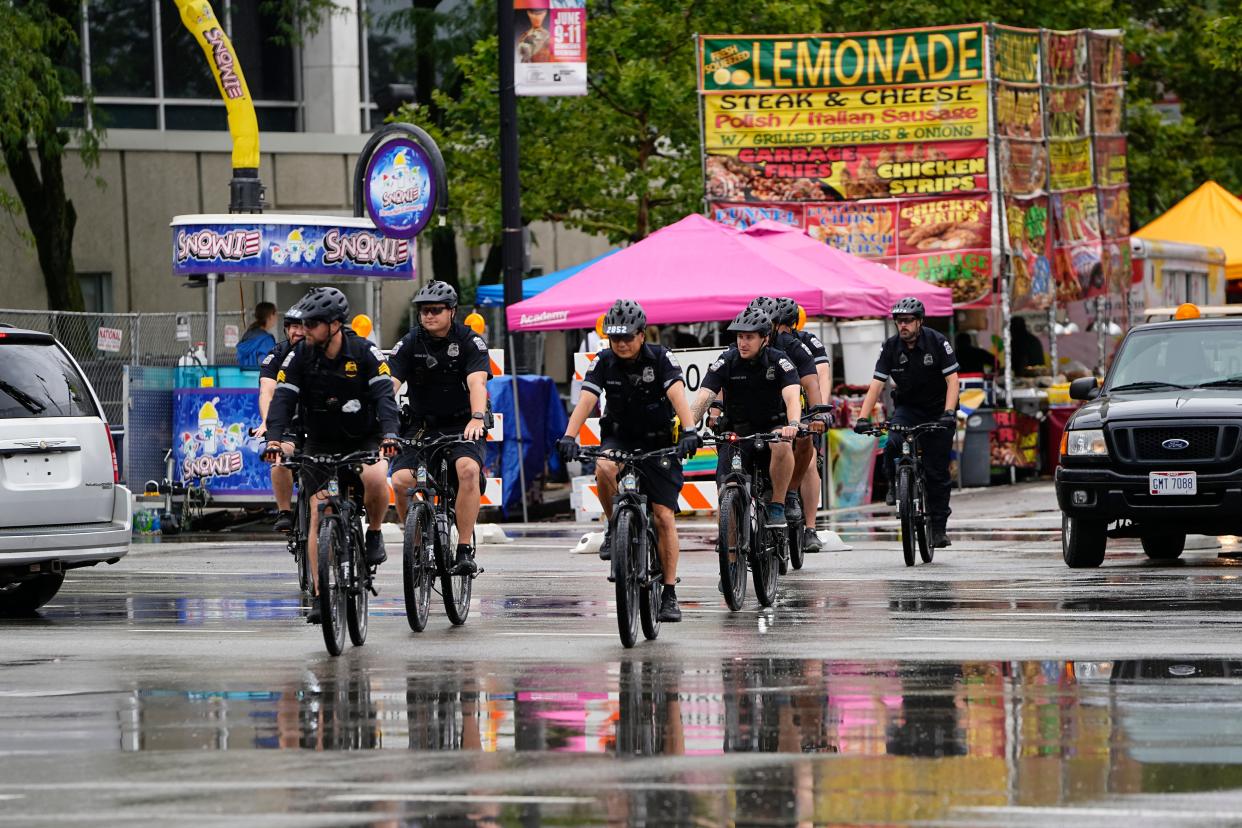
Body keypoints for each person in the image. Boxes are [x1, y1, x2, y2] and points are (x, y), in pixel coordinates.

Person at [557, 300, 701, 623]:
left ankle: (668, 592)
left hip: (659, 442)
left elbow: (678, 394)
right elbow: (587, 399)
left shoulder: (662, 358)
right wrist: (569, 435)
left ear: (641, 334)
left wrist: (689, 430)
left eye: (627, 337)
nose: (620, 343)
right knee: (604, 467)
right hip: (619, 438)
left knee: (663, 515)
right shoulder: (604, 360)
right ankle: (613, 527)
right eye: (614, 337)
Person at [263, 287, 400, 624]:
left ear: (335, 324)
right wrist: (275, 439)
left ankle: (375, 532)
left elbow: (385, 398)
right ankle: (322, 597)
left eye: (313, 324)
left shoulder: (365, 352)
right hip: (320, 441)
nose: (305, 330)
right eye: (303, 324)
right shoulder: (300, 357)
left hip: (364, 436)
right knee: (317, 509)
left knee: (374, 477)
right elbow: (282, 399)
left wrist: (390, 434)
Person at [388, 280, 491, 577]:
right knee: (400, 481)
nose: (428, 315)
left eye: (435, 310)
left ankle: (464, 549)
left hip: (462, 423)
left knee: (468, 471)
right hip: (421, 425)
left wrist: (476, 417)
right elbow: (390, 384)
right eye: (423, 310)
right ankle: (417, 544)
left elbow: (477, 383)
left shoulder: (470, 342)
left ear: (452, 311)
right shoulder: (410, 342)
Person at [853, 297, 959, 548]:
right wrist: (862, 417)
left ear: (919, 322)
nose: (904, 326)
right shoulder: (890, 347)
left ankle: (938, 527)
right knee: (891, 443)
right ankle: (893, 482)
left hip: (938, 410)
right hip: (908, 408)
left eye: (908, 321)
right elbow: (877, 385)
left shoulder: (937, 341)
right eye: (899, 321)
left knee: (936, 471)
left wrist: (948, 412)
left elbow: (952, 381)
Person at [690, 307, 802, 528]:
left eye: (749, 337)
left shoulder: (779, 361)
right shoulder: (727, 360)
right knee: (726, 491)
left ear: (765, 339)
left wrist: (793, 424)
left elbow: (792, 397)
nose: (743, 342)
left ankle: (777, 506)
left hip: (773, 429)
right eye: (740, 336)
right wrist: (685, 426)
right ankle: (731, 553)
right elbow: (704, 396)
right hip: (737, 432)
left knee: (782, 444)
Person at [772, 297, 831, 553]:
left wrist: (820, 412)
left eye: (784, 326)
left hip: (804, 409)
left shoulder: (805, 343)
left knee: (808, 465)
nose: (780, 331)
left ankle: (809, 529)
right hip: (773, 410)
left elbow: (821, 376)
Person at [258, 306, 305, 533]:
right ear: (286, 329)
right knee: (279, 455)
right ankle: (285, 511)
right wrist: (268, 423)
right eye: (294, 326)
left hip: (317, 421)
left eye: (304, 326)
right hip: (286, 421)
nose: (299, 331)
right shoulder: (276, 355)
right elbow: (266, 391)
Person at [237, 301, 278, 367]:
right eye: (275, 314)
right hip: (260, 376)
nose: (277, 317)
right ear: (270, 316)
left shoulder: (246, 336)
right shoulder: (266, 340)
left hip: (244, 376)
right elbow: (267, 365)